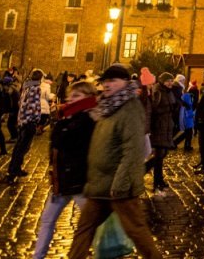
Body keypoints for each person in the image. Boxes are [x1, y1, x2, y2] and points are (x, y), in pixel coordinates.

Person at [66, 64, 164, 259]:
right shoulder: (105, 106)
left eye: (113, 81)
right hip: (100, 184)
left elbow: (133, 149)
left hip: (120, 187)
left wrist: (121, 183)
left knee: (137, 232)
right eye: (105, 81)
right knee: (83, 230)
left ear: (126, 82)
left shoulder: (130, 108)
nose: (107, 85)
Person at [33, 80, 97, 259]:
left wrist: (64, 122)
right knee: (47, 220)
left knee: (91, 224)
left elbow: (68, 142)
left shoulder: (89, 120)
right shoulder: (68, 116)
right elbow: (55, 144)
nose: (71, 99)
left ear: (88, 98)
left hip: (79, 183)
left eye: (77, 96)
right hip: (61, 183)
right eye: (71, 95)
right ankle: (37, 256)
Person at [8, 69, 45, 182]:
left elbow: (21, 103)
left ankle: (14, 168)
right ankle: (14, 170)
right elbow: (33, 105)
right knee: (22, 147)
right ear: (40, 78)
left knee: (19, 147)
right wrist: (34, 119)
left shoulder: (27, 87)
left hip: (23, 120)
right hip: (29, 121)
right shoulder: (35, 88)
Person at [147, 73, 179, 193]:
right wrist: (167, 109)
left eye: (171, 80)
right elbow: (154, 109)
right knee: (159, 156)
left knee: (162, 155)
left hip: (166, 127)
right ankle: (157, 181)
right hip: (159, 127)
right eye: (167, 81)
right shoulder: (158, 91)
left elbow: (173, 105)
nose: (170, 83)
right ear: (162, 82)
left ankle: (159, 179)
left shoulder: (169, 92)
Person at [174, 78, 196, 151]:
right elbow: (188, 110)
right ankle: (186, 146)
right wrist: (191, 115)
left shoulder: (185, 97)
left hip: (187, 118)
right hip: (187, 119)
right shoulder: (187, 98)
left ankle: (180, 144)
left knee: (187, 133)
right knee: (188, 133)